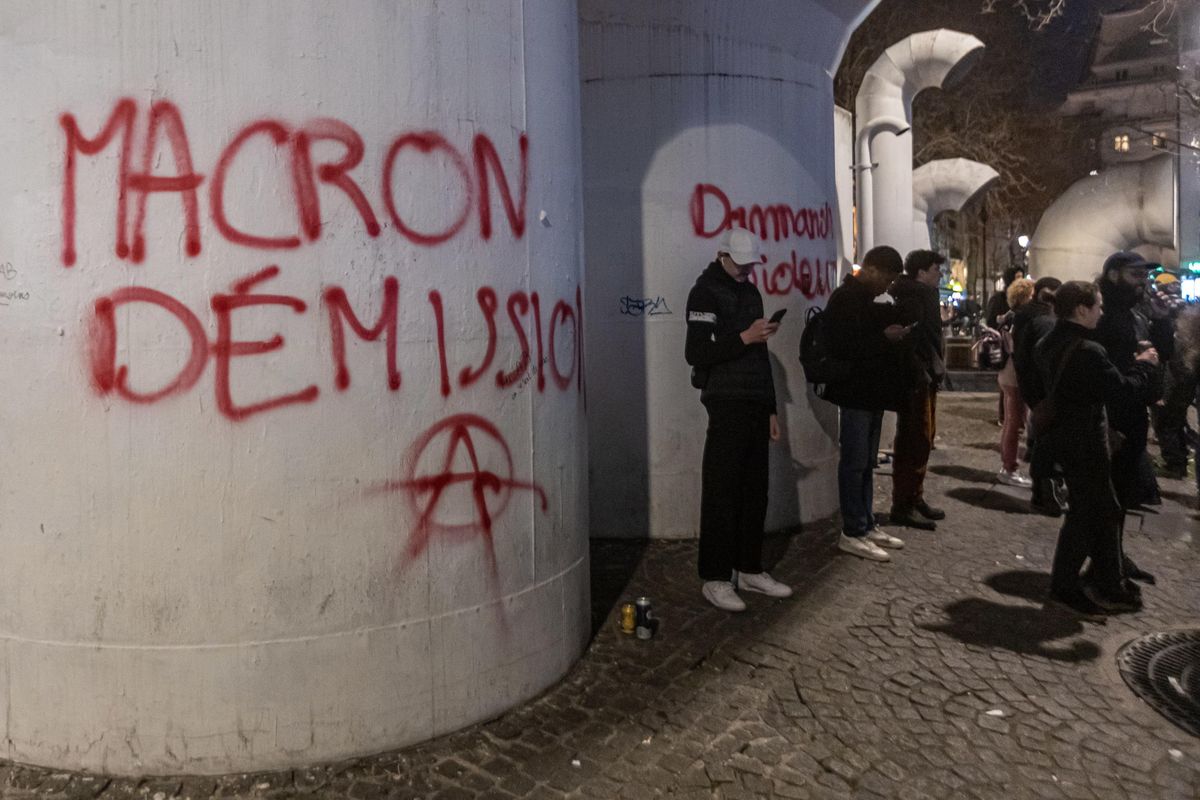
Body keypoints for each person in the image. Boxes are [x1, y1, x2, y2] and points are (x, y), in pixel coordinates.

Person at [1034, 281, 1161, 615]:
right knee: (1086, 514)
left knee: (1104, 509)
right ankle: (1064, 586)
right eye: (1098, 306)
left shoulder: (1048, 341)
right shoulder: (1088, 351)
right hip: (1085, 441)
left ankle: (1109, 577)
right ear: (1081, 309)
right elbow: (1123, 390)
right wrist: (1144, 364)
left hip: (1062, 436)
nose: (1101, 312)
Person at [684, 226, 793, 612]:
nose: (748, 271)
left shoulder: (749, 290)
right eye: (742, 264)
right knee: (722, 491)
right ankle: (715, 577)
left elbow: (759, 357)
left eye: (751, 265)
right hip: (725, 401)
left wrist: (770, 409)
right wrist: (744, 337)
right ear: (723, 255)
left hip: (752, 401)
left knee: (754, 490)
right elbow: (696, 352)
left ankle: (749, 567)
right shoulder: (704, 293)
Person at [820, 246, 912, 561]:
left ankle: (865, 523)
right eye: (886, 278)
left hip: (868, 393)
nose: (887, 286)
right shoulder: (846, 300)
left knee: (866, 463)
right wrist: (884, 338)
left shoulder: (863, 300)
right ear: (870, 269)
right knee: (855, 462)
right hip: (855, 393)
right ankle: (853, 530)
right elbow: (846, 347)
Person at [1094, 252, 1170, 510]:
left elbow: (1164, 353)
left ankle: (1112, 549)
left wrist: (1161, 320)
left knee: (1123, 491)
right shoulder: (1100, 313)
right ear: (1114, 275)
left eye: (1145, 276)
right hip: (1110, 410)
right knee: (1107, 491)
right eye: (1135, 275)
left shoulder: (1136, 313)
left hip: (1135, 405)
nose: (1142, 282)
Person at [888, 249, 947, 531]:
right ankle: (905, 504)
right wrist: (922, 372)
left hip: (923, 375)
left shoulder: (917, 296)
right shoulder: (916, 298)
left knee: (922, 437)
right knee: (916, 438)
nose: (940, 275)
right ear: (921, 272)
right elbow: (911, 340)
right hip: (917, 378)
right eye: (936, 270)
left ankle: (915, 497)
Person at [1011, 277, 1065, 514]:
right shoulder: (1044, 322)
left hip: (1036, 389)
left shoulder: (1031, 317)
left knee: (1042, 438)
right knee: (1048, 443)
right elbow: (1039, 360)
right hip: (1044, 390)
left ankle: (1045, 492)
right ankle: (1047, 494)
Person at [997, 278, 1035, 487]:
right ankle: (1009, 468)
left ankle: (1008, 465)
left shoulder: (1009, 316)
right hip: (1015, 375)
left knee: (1012, 422)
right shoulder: (1021, 318)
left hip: (1006, 373)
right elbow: (1018, 348)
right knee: (1016, 423)